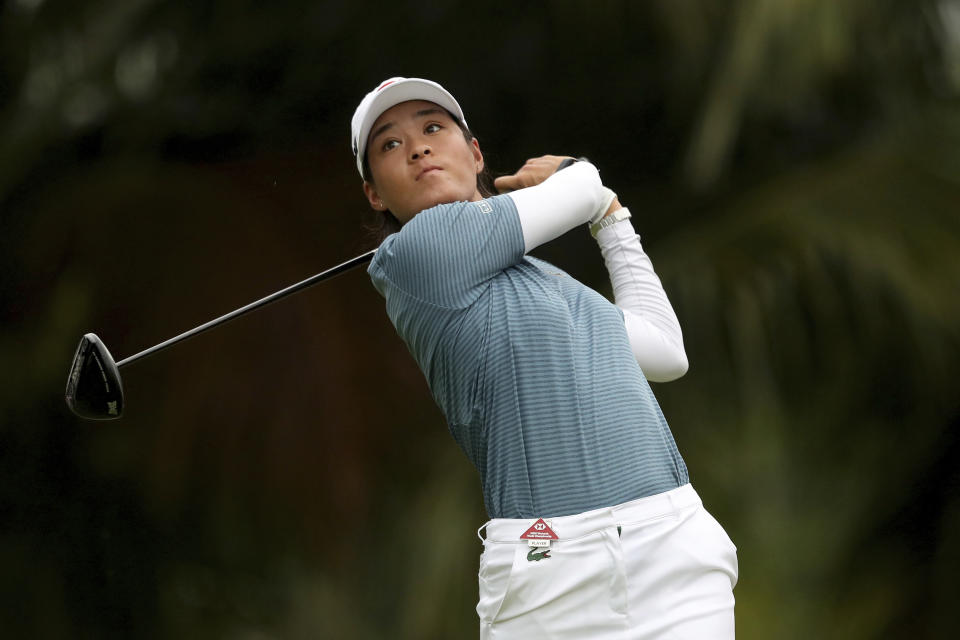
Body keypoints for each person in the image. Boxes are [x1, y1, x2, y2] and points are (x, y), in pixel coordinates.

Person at [350, 77, 738, 639]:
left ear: (475, 153)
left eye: (433, 127)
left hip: (671, 542)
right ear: (375, 195)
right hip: (550, 570)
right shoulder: (413, 256)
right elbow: (580, 185)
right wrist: (585, 183)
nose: (417, 147)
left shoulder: (548, 284)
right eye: (389, 144)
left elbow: (664, 349)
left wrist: (613, 220)